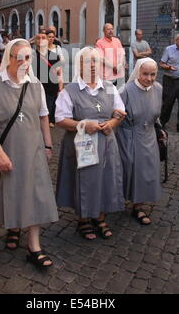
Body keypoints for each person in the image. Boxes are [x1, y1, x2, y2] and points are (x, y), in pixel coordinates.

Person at [0, 39, 58, 267]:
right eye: (19, 57)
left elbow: (44, 116)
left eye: (28, 57)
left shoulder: (36, 84)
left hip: (34, 151)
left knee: (35, 195)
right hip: (9, 151)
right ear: (10, 59)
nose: (24, 62)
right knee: (12, 192)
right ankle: (13, 227)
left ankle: (34, 247)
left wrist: (48, 145)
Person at [55, 47, 126, 240]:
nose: (93, 66)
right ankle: (83, 219)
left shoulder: (110, 88)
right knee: (84, 180)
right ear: (79, 65)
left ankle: (100, 217)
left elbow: (120, 111)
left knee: (105, 179)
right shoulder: (70, 91)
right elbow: (61, 119)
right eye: (88, 62)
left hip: (106, 144)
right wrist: (83, 125)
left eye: (96, 61)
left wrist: (112, 122)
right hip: (81, 146)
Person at [115, 58, 166, 225]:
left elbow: (156, 114)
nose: (149, 78)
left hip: (149, 136)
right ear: (138, 72)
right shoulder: (125, 90)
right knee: (127, 169)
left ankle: (138, 205)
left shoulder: (158, 88)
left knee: (146, 171)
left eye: (153, 74)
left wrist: (159, 129)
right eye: (145, 74)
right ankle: (118, 199)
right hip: (127, 136)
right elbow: (114, 116)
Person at [33, 32, 64, 128]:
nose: (41, 40)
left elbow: (59, 73)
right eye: (38, 38)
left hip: (51, 86)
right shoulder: (31, 56)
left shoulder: (54, 56)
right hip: (37, 88)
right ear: (35, 42)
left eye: (43, 38)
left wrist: (60, 88)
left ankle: (51, 120)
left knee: (50, 106)